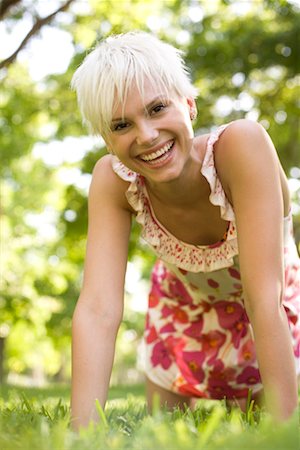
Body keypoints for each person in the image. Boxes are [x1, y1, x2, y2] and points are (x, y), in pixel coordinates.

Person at [70, 31, 300, 430]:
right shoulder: (113, 180)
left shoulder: (241, 146)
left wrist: (288, 427)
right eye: (122, 125)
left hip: (267, 307)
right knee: (167, 429)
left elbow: (265, 297)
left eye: (157, 108)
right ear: (108, 140)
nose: (146, 135)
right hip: (182, 307)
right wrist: (79, 430)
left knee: (265, 424)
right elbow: (97, 309)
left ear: (189, 106)